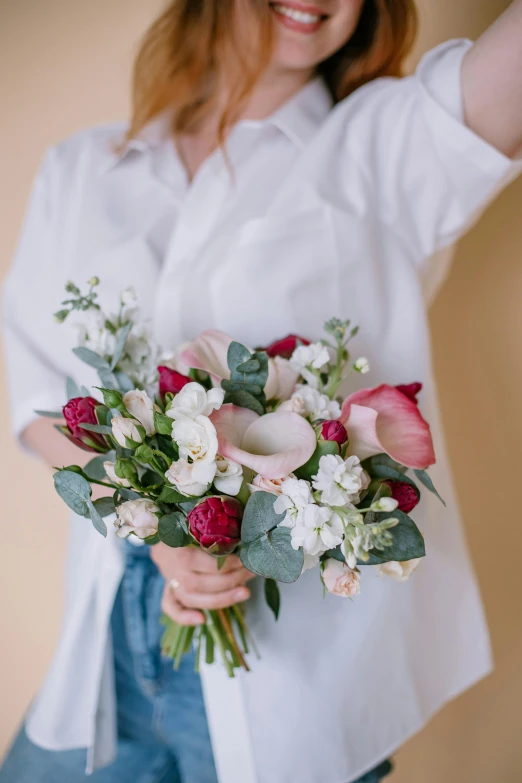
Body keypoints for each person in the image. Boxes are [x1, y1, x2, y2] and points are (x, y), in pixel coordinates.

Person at [2, 1, 522, 781]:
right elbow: (42, 398)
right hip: (108, 636)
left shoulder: (379, 148)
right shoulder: (82, 169)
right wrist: (157, 527)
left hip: (293, 678)